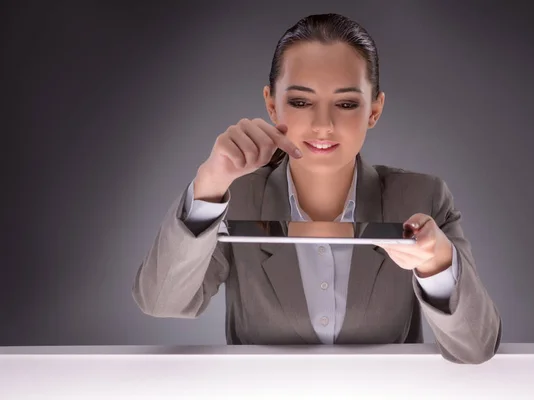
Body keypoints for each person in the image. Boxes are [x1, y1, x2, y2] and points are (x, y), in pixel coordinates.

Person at [132, 13, 501, 364]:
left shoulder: (422, 198)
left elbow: (476, 346)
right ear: (271, 105)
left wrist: (437, 265)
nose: (323, 125)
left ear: (374, 110)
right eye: (300, 101)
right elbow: (162, 301)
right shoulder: (236, 198)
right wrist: (209, 184)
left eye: (345, 103)